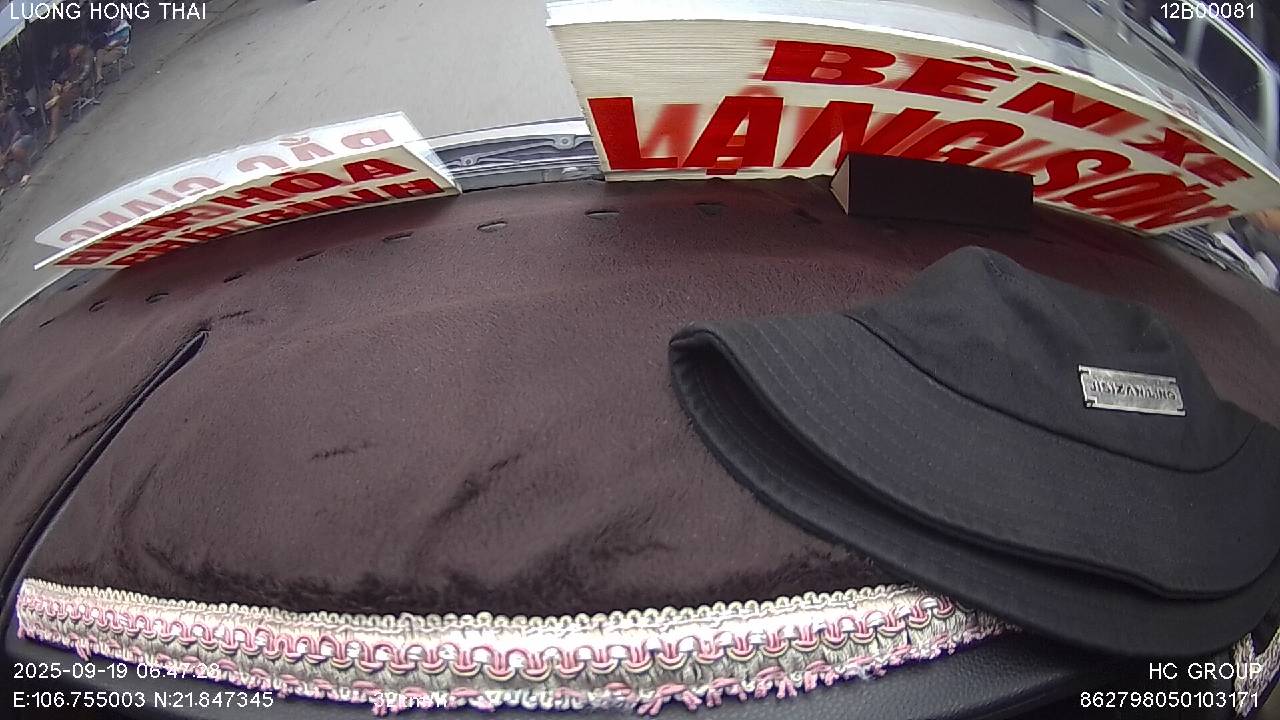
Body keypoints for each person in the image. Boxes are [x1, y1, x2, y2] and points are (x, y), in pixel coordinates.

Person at [44, 42, 93, 145]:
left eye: (72, 53)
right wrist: (59, 82)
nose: (71, 55)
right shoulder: (75, 59)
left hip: (79, 86)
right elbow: (67, 73)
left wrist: (72, 84)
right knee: (53, 90)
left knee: (55, 104)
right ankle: (56, 98)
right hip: (69, 85)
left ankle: (53, 132)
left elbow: (85, 73)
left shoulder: (87, 54)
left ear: (75, 48)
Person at [0, 100, 35, 190]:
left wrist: (6, 152)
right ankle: (5, 185)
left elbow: (18, 133)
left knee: (15, 148)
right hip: (8, 148)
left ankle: (26, 172)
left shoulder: (11, 115)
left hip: (24, 138)